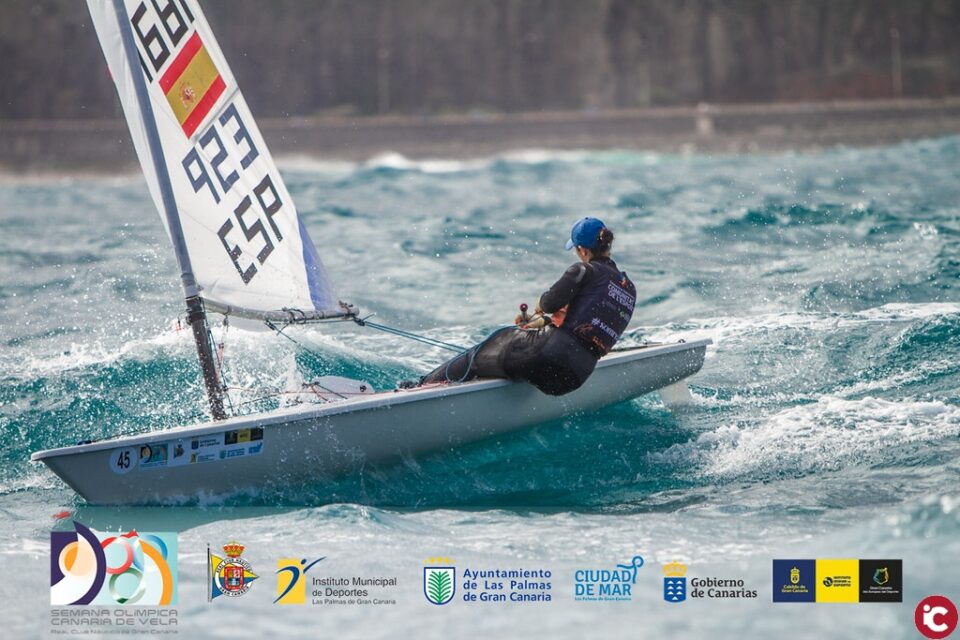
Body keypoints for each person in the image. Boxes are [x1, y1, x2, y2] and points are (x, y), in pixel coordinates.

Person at [408, 217, 637, 396]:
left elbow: (549, 303)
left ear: (583, 251)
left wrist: (540, 307)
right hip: (577, 375)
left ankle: (417, 388)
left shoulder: (583, 270)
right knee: (515, 350)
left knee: (480, 354)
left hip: (548, 355)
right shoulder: (628, 288)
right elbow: (583, 322)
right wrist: (541, 322)